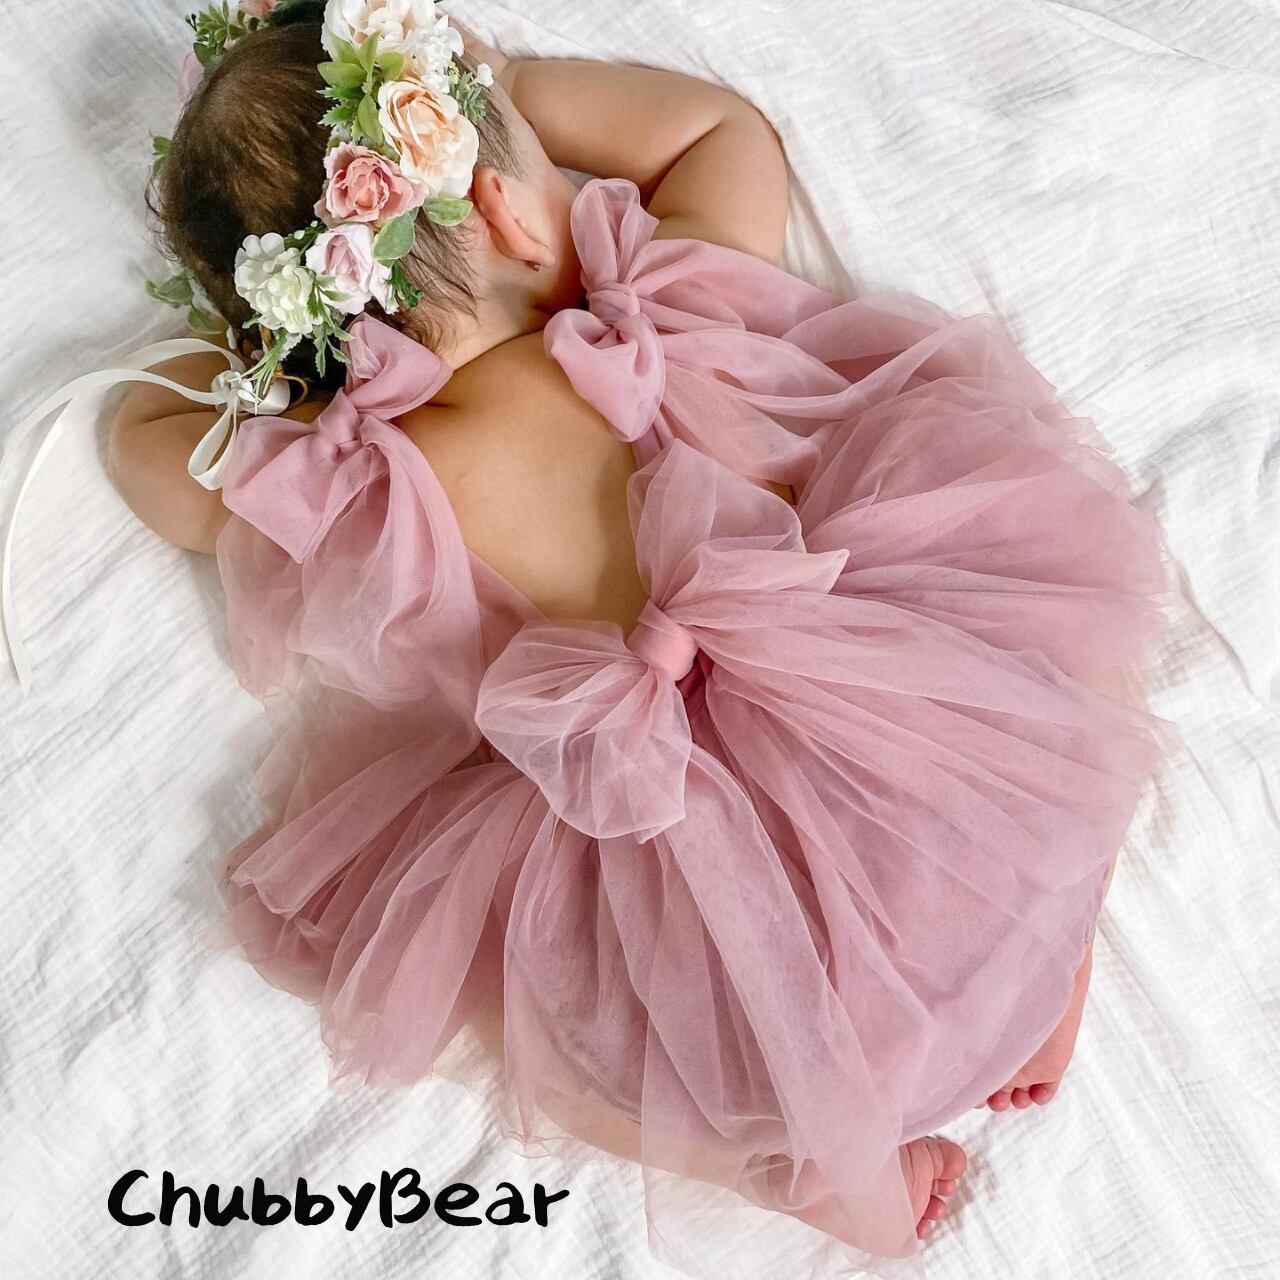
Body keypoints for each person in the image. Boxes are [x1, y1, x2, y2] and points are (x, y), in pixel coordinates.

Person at [89, 2, 1171, 1271]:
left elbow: (137, 442)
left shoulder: (365, 490)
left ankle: (816, 1170)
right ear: (506, 210)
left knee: (582, 1046)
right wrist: (516, 83)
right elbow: (720, 131)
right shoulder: (659, 315)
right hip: (919, 788)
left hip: (729, 958)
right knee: (1043, 713)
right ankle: (1046, 974)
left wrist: (282, 375)